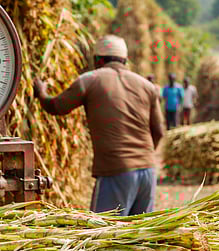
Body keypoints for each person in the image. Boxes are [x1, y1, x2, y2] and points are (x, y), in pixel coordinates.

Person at [33, 35, 165, 216]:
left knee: (103, 236)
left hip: (116, 171)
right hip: (148, 172)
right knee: (139, 238)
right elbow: (159, 131)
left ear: (98, 60)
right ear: (125, 60)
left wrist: (41, 92)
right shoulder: (147, 86)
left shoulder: (90, 80)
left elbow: (57, 107)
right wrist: (142, 156)